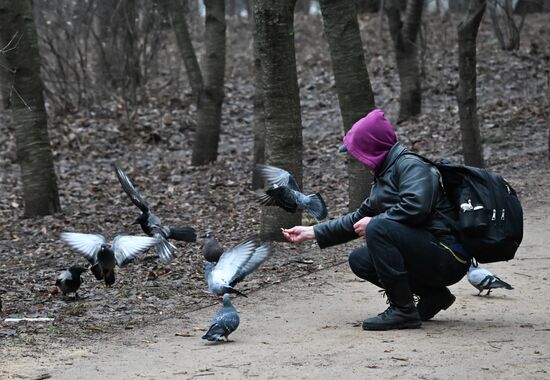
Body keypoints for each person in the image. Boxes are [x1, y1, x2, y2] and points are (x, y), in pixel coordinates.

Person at [282, 108, 471, 331]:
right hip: (428, 253)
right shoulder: (385, 174)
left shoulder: (411, 165)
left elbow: (416, 207)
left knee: (378, 227)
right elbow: (358, 218)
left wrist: (375, 222)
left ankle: (403, 311)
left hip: (448, 255)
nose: (356, 159)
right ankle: (434, 296)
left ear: (371, 147)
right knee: (360, 260)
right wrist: (312, 232)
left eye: (358, 151)